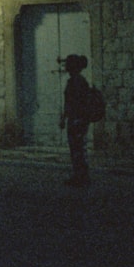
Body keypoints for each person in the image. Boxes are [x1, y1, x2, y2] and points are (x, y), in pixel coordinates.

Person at [58, 54, 91, 186]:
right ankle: (81, 175)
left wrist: (66, 118)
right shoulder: (78, 80)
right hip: (78, 118)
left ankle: (80, 176)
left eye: (68, 64)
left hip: (77, 119)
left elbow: (72, 102)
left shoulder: (76, 82)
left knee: (77, 148)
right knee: (78, 148)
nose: (65, 67)